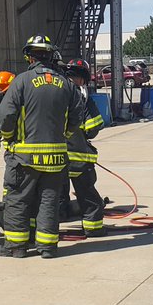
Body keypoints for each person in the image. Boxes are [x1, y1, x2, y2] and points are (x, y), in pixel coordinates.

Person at [0, 35, 85, 259]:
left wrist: (8, 136)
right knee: (49, 200)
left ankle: (16, 246)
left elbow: (6, 115)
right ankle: (47, 246)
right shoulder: (66, 83)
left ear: (30, 56)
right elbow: (78, 115)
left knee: (18, 199)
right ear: (50, 55)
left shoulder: (22, 81)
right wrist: (64, 134)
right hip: (55, 158)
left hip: (24, 157)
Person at [62, 59, 106, 237]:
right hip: (79, 158)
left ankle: (49, 229)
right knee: (88, 196)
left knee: (52, 195)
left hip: (53, 157)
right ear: (82, 79)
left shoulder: (54, 95)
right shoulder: (83, 99)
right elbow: (93, 128)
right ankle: (93, 228)